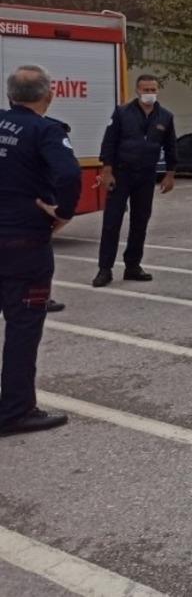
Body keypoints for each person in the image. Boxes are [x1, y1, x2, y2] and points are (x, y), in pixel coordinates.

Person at [0, 65, 81, 436]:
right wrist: (62, 213)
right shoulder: (46, 130)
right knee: (23, 326)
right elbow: (68, 175)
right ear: (48, 95)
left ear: (9, 95)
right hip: (23, 244)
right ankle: (16, 411)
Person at [92, 74, 177, 288]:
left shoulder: (165, 116)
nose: (149, 93)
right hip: (121, 174)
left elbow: (171, 147)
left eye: (153, 89)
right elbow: (109, 142)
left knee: (140, 221)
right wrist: (107, 171)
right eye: (145, 89)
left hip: (146, 175)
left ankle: (132, 266)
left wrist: (170, 174)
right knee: (112, 222)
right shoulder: (122, 113)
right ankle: (105, 269)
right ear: (137, 90)